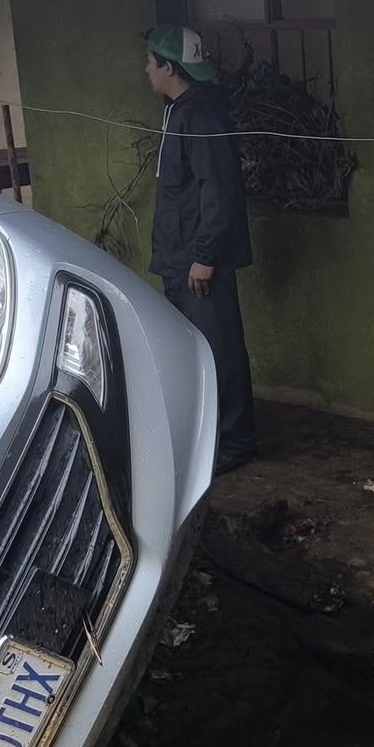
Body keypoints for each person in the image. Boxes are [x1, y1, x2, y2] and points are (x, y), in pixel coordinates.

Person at [144, 25, 256, 473]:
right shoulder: (179, 111)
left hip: (198, 260)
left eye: (150, 63)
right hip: (181, 256)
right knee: (194, 352)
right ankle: (210, 439)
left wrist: (205, 256)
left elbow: (218, 189)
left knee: (218, 349)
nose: (146, 70)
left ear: (169, 68)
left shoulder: (201, 116)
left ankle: (235, 442)